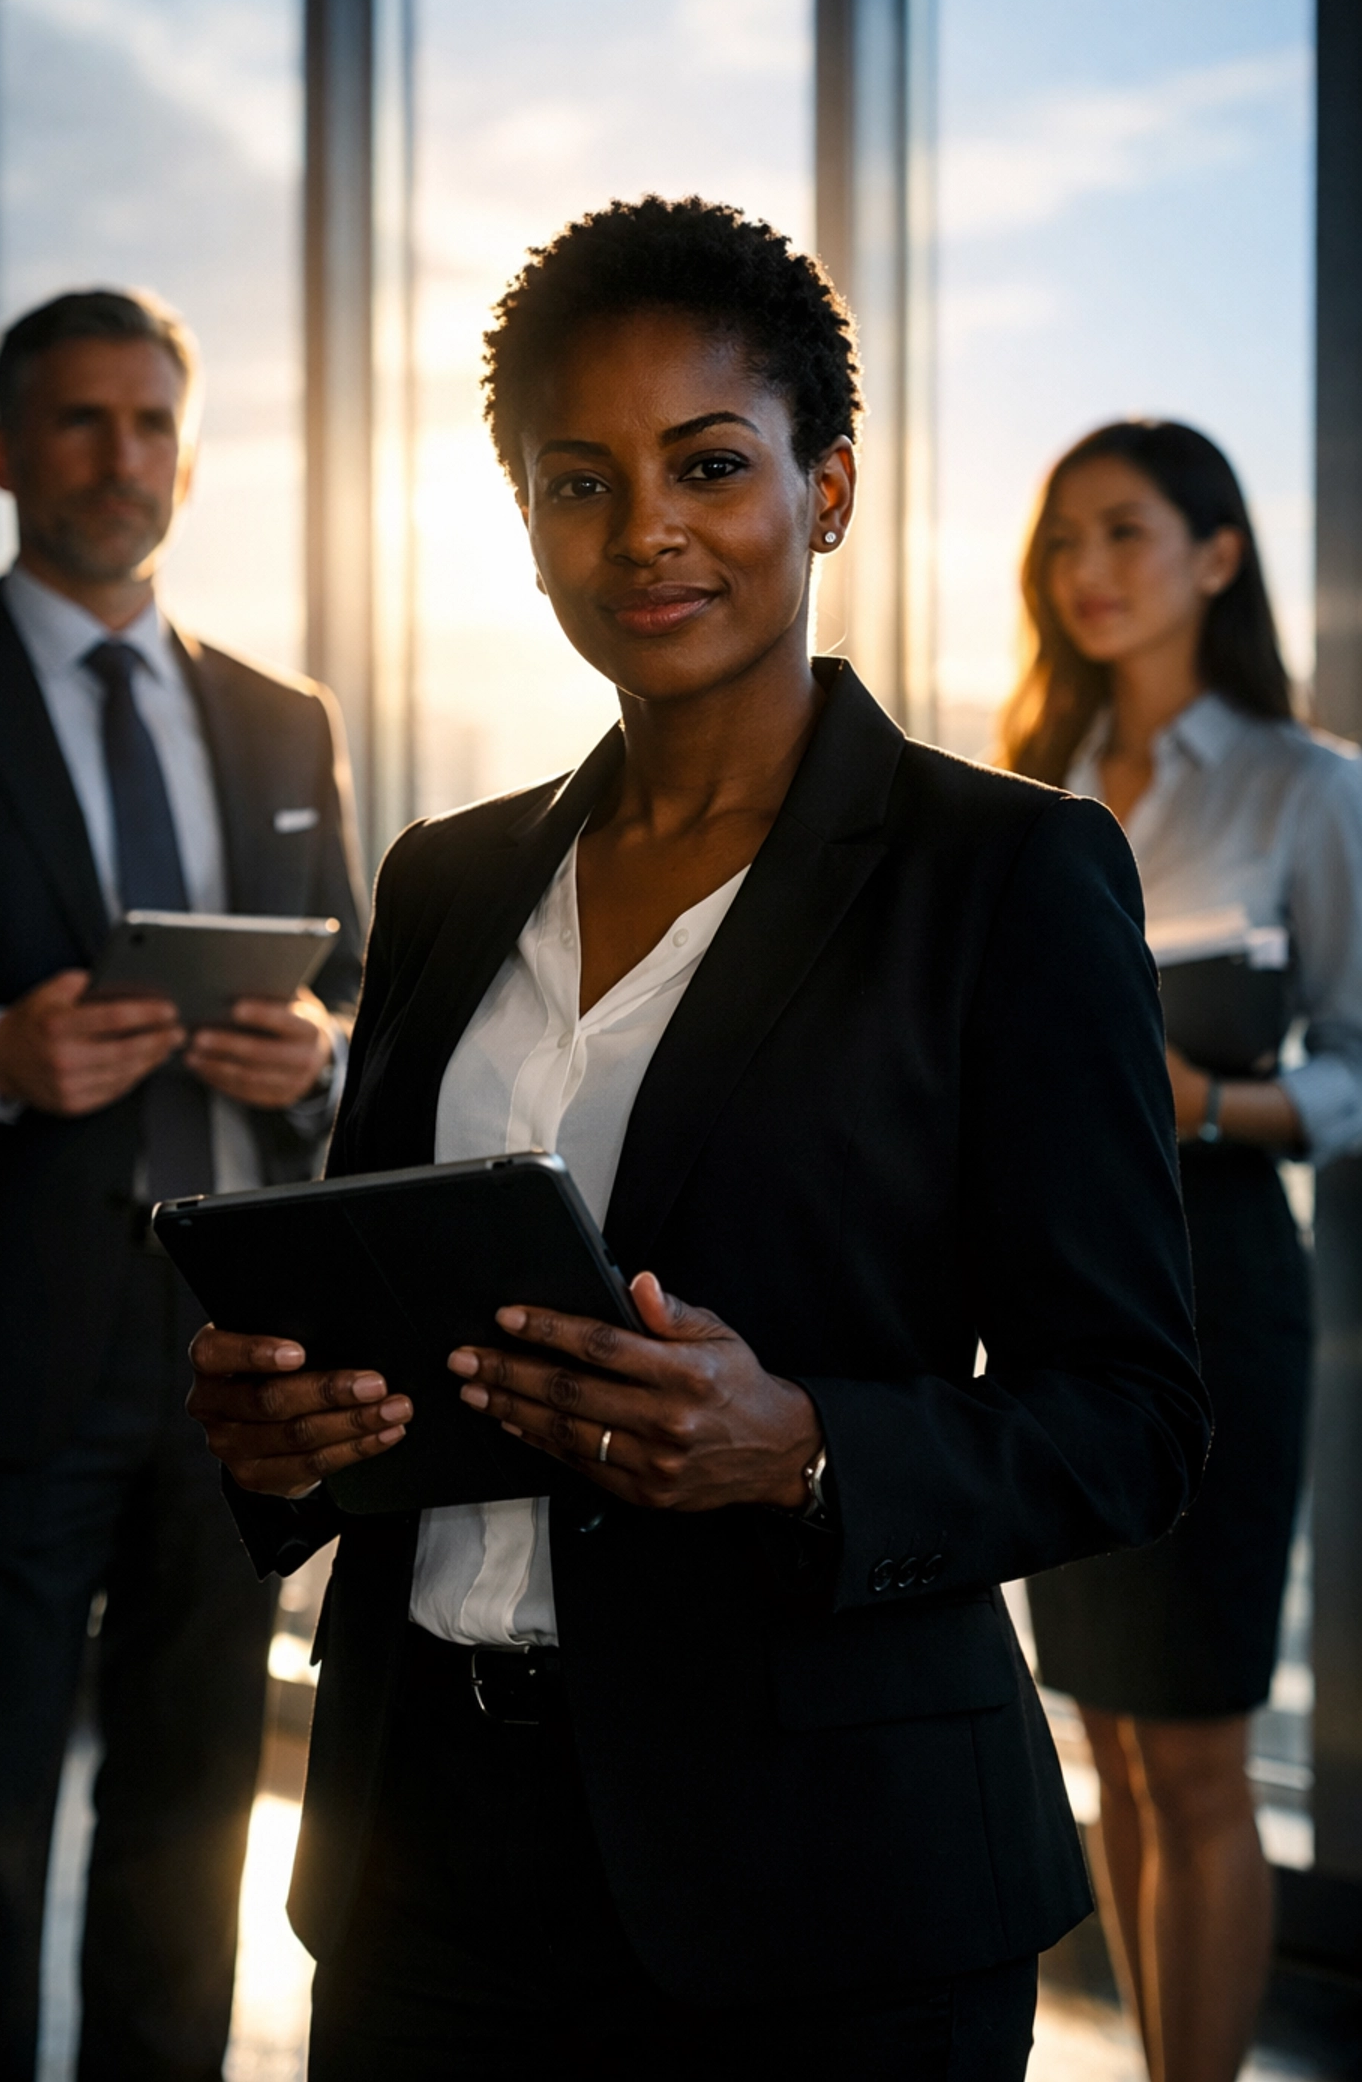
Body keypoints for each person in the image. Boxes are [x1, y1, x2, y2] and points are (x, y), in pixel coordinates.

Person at [187, 198, 1209, 2081]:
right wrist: (286, 1437)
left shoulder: (1006, 881)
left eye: (709, 464)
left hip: (825, 1888)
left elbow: (1131, 1418)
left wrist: (808, 1448)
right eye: (579, 480)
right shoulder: (444, 879)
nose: (644, 528)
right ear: (528, 525)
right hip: (424, 1864)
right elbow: (370, 1310)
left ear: (826, 490)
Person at [0, 288, 365, 2081]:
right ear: (2, 455)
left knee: (199, 1803)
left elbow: (357, 988)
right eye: (77, 421)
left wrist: (323, 1058)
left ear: (189, 462)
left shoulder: (286, 724)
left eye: (149, 424)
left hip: (235, 1356)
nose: (118, 455)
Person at [1005, 420, 1362, 2082]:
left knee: (1205, 1753)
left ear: (1219, 556)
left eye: (1127, 533)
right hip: (1053, 1287)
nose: (1088, 570)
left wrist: (1209, 1095)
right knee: (1117, 1753)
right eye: (1066, 537)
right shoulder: (1030, 785)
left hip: (1223, 1279)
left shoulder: (1311, 787)